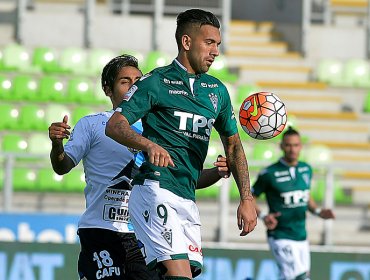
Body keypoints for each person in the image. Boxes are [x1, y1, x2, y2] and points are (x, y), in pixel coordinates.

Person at [105, 9, 257, 279]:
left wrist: (246, 198)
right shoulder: (155, 82)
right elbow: (115, 125)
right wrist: (148, 145)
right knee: (180, 276)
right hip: (155, 188)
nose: (216, 51)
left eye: (218, 45)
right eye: (209, 43)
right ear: (186, 43)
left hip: (187, 197)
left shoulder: (217, 92)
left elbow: (233, 145)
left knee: (178, 275)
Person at [48, 54, 230, 280]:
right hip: (102, 230)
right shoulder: (93, 124)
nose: (134, 85)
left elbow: (181, 179)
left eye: (138, 80)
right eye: (125, 81)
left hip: (145, 231)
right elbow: (62, 166)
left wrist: (217, 172)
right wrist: (57, 144)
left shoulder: (158, 126)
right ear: (107, 89)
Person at [252, 127, 335, 280]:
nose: (292, 149)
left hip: (301, 235)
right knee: (300, 278)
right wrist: (264, 216)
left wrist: (318, 212)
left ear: (301, 147)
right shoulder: (269, 173)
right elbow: (249, 199)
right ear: (282, 146)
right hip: (280, 234)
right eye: (289, 145)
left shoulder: (306, 169)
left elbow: (306, 197)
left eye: (296, 145)